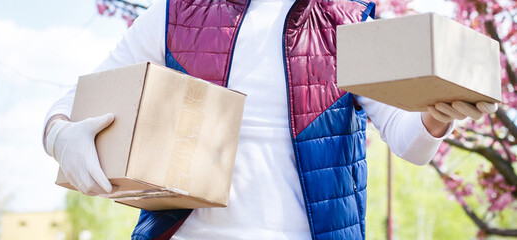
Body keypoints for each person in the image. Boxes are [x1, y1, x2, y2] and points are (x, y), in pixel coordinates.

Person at [41, 0, 498, 239]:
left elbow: (408, 142)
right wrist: (60, 134)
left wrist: (437, 117)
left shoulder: (350, 20)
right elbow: (73, 100)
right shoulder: (177, 12)